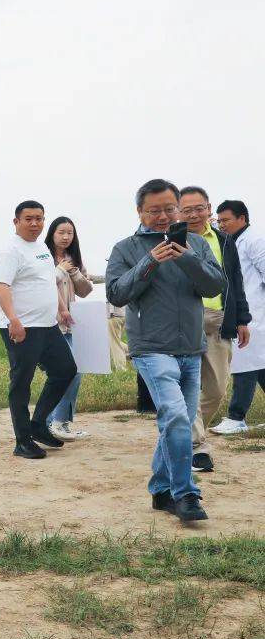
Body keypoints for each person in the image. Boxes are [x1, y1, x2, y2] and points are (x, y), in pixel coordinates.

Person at [105, 179, 225, 522]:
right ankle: (185, 493)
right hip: (151, 348)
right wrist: (150, 261)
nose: (162, 216)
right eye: (153, 210)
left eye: (169, 209)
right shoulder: (125, 248)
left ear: (178, 209)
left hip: (191, 347)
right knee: (175, 416)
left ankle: (160, 490)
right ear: (139, 212)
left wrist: (187, 258)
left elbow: (216, 285)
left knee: (179, 421)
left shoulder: (196, 244)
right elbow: (116, 293)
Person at [0, 201, 76, 459]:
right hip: (22, 327)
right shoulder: (10, 251)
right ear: (16, 221)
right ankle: (23, 441)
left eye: (39, 218)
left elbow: (48, 282)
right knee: (22, 382)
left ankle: (38, 424)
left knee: (66, 370)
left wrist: (61, 308)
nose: (34, 223)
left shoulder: (41, 248)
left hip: (48, 325)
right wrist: (13, 319)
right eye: (28, 218)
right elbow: (1, 286)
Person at [177, 187, 251, 473]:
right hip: (184, 320)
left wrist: (242, 319)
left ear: (209, 209)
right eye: (187, 210)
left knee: (217, 389)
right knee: (187, 386)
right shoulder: (172, 239)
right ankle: (196, 445)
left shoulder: (223, 239)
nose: (194, 214)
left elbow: (235, 280)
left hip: (219, 319)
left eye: (199, 208)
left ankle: (182, 431)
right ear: (179, 212)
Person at [213, 200, 264, 434]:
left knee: (244, 364)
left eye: (226, 220)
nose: (221, 225)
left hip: (256, 313)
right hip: (244, 312)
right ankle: (236, 417)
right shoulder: (230, 241)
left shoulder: (255, 240)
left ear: (242, 218)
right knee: (258, 365)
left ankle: (236, 417)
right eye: (219, 221)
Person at [44, 216, 95, 441]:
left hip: (70, 325)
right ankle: (55, 422)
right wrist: (62, 308)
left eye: (70, 233)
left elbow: (85, 291)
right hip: (50, 323)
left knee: (74, 371)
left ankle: (56, 422)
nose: (66, 237)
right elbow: (44, 287)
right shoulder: (43, 257)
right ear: (52, 234)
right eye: (61, 232)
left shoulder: (73, 260)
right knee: (68, 371)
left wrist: (73, 271)